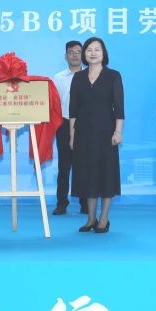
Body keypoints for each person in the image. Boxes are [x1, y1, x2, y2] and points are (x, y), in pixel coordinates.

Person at [69, 37, 124, 234]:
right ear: (84, 54)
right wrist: (72, 136)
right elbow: (73, 110)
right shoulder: (78, 78)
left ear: (103, 53)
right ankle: (90, 218)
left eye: (97, 49)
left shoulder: (113, 76)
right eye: (89, 50)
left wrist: (118, 132)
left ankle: (104, 218)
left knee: (106, 175)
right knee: (88, 176)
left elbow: (119, 107)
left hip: (106, 133)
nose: (93, 53)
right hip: (83, 133)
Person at [52, 40, 86, 215]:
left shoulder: (90, 75)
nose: (75, 55)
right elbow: (55, 104)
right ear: (66, 56)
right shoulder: (58, 78)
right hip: (64, 124)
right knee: (64, 166)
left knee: (85, 166)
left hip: (86, 125)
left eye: (78, 52)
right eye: (71, 52)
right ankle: (61, 203)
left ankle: (85, 204)